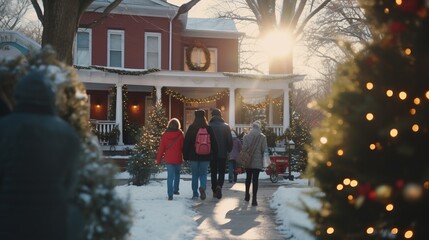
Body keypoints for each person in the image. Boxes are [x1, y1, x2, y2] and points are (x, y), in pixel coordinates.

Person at [0, 69, 82, 239]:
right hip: (54, 226)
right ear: (50, 98)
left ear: (19, 96)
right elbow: (71, 184)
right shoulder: (68, 134)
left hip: (8, 225)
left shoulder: (4, 128)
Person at [183, 109, 217, 200]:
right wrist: (214, 153)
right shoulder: (209, 128)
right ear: (204, 117)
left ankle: (195, 193)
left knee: (194, 175)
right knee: (203, 174)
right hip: (206, 156)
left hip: (193, 156)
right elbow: (214, 142)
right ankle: (202, 187)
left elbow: (186, 142)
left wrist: (185, 155)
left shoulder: (191, 128)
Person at [156, 118, 184, 201]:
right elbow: (183, 147)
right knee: (177, 174)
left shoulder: (165, 135)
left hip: (169, 159)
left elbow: (161, 149)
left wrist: (158, 160)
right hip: (178, 157)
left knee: (170, 176)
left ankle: (170, 194)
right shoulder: (180, 134)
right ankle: (176, 190)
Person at [208, 108, 233, 199]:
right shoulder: (226, 126)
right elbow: (229, 140)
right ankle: (219, 186)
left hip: (212, 153)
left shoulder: (209, 126)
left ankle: (214, 190)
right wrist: (229, 149)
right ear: (220, 115)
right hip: (222, 153)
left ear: (212, 116)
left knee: (213, 172)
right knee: (221, 171)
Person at [242, 120, 267, 206]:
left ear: (252, 127)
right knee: (255, 180)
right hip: (257, 161)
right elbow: (264, 150)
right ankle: (254, 199)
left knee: (248, 178)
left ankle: (246, 195)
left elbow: (244, 149)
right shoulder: (263, 137)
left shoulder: (246, 137)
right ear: (259, 128)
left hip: (248, 160)